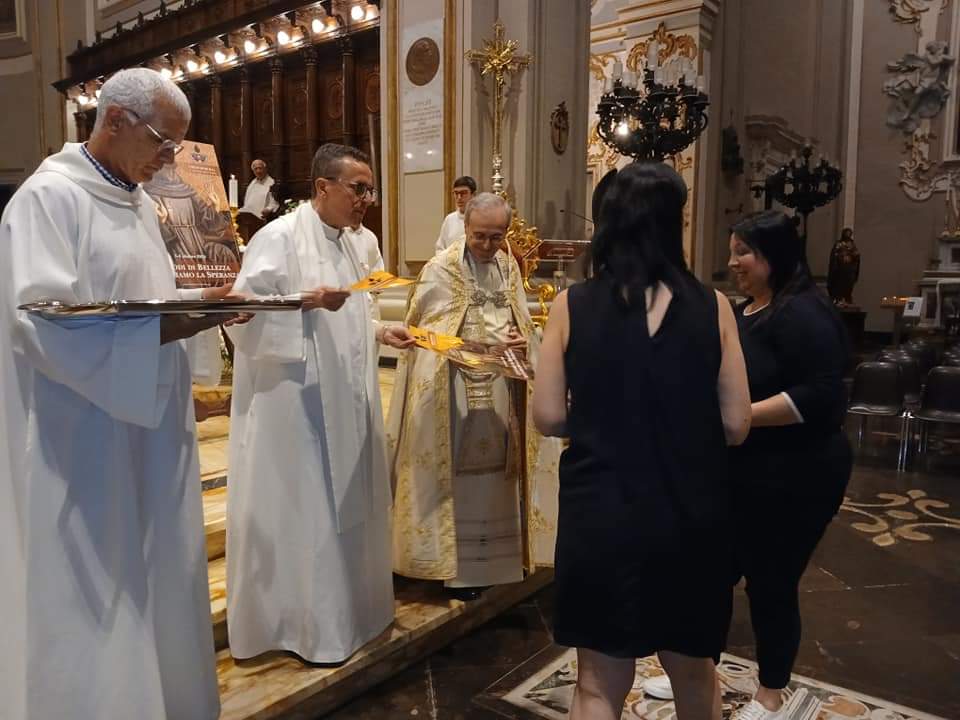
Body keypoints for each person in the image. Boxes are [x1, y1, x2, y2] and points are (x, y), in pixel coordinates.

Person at [0, 67, 234, 720]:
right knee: (97, 580)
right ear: (115, 120)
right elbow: (40, 322)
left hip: (152, 423)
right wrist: (172, 324)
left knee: (158, 569)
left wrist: (205, 300)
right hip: (81, 434)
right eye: (163, 143)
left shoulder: (135, 201)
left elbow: (142, 299)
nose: (170, 161)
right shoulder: (49, 199)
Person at [532, 161, 751, 720]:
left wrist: (604, 417)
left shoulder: (571, 305)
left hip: (601, 512)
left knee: (597, 686)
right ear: (674, 224)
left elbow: (549, 416)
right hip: (690, 513)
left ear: (608, 223)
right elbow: (736, 424)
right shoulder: (715, 306)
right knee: (695, 676)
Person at [225, 143, 415, 663]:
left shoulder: (358, 242)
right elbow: (242, 315)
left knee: (352, 501)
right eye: (359, 188)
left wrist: (382, 331)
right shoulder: (278, 237)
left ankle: (356, 615)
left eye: (370, 189)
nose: (367, 199)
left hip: (349, 394)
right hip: (296, 403)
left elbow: (355, 313)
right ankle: (304, 627)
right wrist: (305, 301)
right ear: (322, 187)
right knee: (306, 509)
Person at [388, 192, 561, 599]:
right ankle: (454, 568)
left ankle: (497, 563)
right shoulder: (439, 269)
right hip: (453, 390)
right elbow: (422, 328)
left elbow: (520, 316)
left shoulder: (508, 265)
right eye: (479, 235)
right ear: (464, 227)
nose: (487, 245)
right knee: (458, 480)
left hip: (501, 389)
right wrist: (463, 345)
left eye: (496, 237)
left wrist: (521, 339)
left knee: (497, 478)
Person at [724, 210, 852, 719]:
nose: (733, 262)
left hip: (800, 471)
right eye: (732, 252)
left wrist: (740, 417)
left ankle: (771, 692)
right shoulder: (744, 311)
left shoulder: (803, 313)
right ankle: (700, 667)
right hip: (747, 467)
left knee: (771, 581)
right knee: (714, 570)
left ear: (773, 255)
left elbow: (821, 396)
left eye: (743, 252)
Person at [434, 175, 477, 254]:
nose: (459, 197)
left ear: (473, 194)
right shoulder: (449, 219)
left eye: (463, 193)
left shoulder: (481, 218)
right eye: (456, 193)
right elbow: (440, 248)